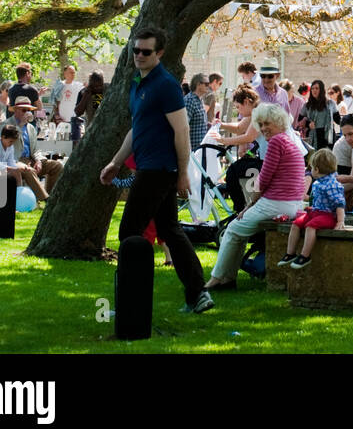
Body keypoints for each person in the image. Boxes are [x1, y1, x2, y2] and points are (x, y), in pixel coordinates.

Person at [99, 27, 212, 313]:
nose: (138, 55)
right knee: (170, 230)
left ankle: (129, 301)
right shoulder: (139, 83)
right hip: (149, 166)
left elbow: (182, 130)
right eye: (135, 50)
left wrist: (183, 172)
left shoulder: (166, 85)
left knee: (129, 233)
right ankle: (198, 294)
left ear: (159, 53)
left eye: (145, 51)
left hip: (159, 170)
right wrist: (115, 162)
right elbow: (136, 130)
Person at [204, 103, 307, 289]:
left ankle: (217, 279)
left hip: (275, 203)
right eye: (261, 124)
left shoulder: (276, 141)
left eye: (267, 123)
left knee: (232, 231)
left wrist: (249, 205)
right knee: (239, 234)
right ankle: (227, 278)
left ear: (278, 122)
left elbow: (264, 178)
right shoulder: (291, 140)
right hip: (293, 204)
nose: (264, 128)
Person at [277, 148, 345, 270]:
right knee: (296, 223)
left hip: (328, 215)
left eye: (311, 168)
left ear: (317, 170)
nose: (310, 171)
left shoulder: (332, 184)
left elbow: (339, 204)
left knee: (311, 226)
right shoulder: (318, 182)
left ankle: (305, 255)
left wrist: (340, 221)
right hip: (315, 212)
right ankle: (290, 253)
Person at [0, 98, 62, 201]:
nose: (27, 113)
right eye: (24, 110)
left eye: (29, 110)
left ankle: (50, 195)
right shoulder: (5, 125)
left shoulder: (30, 128)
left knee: (56, 166)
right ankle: (45, 199)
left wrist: (39, 160)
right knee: (29, 170)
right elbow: (5, 145)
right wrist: (20, 125)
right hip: (14, 161)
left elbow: (35, 149)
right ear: (16, 110)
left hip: (30, 159)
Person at [216, 86, 262, 214]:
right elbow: (239, 128)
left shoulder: (259, 113)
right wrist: (220, 124)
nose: (239, 112)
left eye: (238, 107)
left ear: (247, 102)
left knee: (233, 171)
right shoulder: (256, 112)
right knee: (234, 170)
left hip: (269, 159)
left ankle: (240, 210)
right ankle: (241, 208)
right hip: (265, 157)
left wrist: (224, 141)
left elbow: (248, 137)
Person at [298, 79, 334, 148]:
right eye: (312, 89)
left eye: (317, 88)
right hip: (313, 137)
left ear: (322, 90)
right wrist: (308, 124)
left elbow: (337, 118)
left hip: (327, 137)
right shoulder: (307, 105)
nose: (314, 90)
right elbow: (299, 120)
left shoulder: (330, 103)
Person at [74, 71, 106, 139]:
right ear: (90, 84)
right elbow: (78, 112)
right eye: (95, 86)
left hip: (106, 131)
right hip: (91, 133)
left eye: (100, 85)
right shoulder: (83, 92)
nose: (98, 88)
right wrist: (86, 96)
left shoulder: (109, 89)